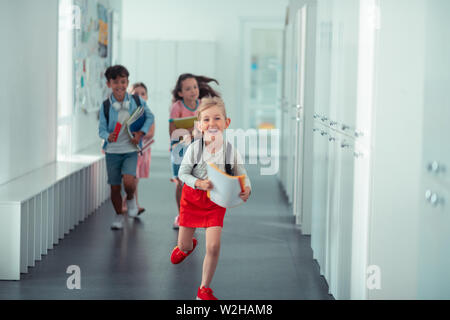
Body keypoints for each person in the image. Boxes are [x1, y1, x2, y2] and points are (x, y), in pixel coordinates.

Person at [170, 97, 252, 300]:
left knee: (214, 246)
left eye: (217, 118)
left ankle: (204, 289)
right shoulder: (194, 149)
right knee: (184, 246)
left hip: (216, 200)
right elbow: (183, 174)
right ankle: (185, 247)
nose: (212, 123)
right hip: (192, 200)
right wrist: (198, 183)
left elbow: (242, 172)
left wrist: (247, 187)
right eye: (206, 119)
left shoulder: (230, 150)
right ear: (199, 124)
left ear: (227, 123)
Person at [98, 65, 155, 230]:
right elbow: (101, 128)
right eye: (115, 82)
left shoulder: (137, 101)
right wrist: (106, 136)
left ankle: (130, 199)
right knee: (115, 187)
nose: (120, 85)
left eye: (123, 82)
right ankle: (118, 215)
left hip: (130, 149)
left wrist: (141, 133)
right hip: (112, 152)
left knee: (129, 182)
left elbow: (150, 116)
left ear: (127, 82)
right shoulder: (106, 106)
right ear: (109, 84)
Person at [169, 74, 220, 229]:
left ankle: (198, 215)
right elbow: (172, 133)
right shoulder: (177, 107)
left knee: (199, 182)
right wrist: (191, 131)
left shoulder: (203, 106)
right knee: (181, 183)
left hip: (199, 149)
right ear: (180, 93)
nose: (193, 91)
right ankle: (181, 215)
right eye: (188, 88)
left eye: (195, 87)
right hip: (180, 150)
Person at [121, 82, 155, 215]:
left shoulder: (148, 114)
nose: (139, 97)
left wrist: (140, 132)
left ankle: (132, 204)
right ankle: (130, 204)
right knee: (132, 178)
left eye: (143, 94)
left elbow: (151, 132)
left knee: (136, 179)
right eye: (136, 94)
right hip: (130, 150)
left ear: (146, 97)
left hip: (143, 151)